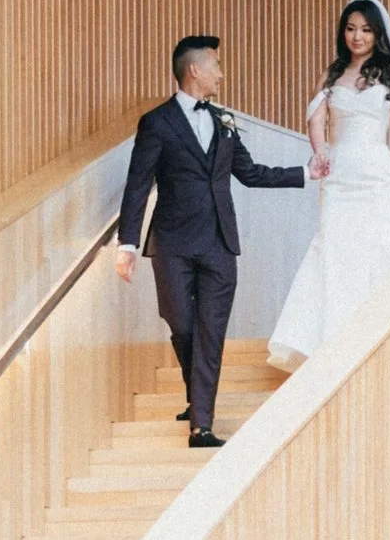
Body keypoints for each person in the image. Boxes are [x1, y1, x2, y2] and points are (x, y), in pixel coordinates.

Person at [114, 36, 308, 447]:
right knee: (181, 324)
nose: (222, 73)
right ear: (195, 71)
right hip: (172, 243)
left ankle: (201, 423)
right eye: (216, 65)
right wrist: (127, 244)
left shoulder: (224, 119)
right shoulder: (157, 122)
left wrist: (306, 174)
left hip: (220, 242)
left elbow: (250, 173)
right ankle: (196, 395)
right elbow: (137, 185)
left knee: (211, 331)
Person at [267, 0, 390, 373]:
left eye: (366, 30)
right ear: (343, 32)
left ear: (377, 34)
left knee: (376, 251)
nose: (358, 36)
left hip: (377, 174)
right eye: (351, 29)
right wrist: (321, 150)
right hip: (339, 176)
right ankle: (331, 347)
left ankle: (376, 345)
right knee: (337, 250)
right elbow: (315, 120)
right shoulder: (332, 73)